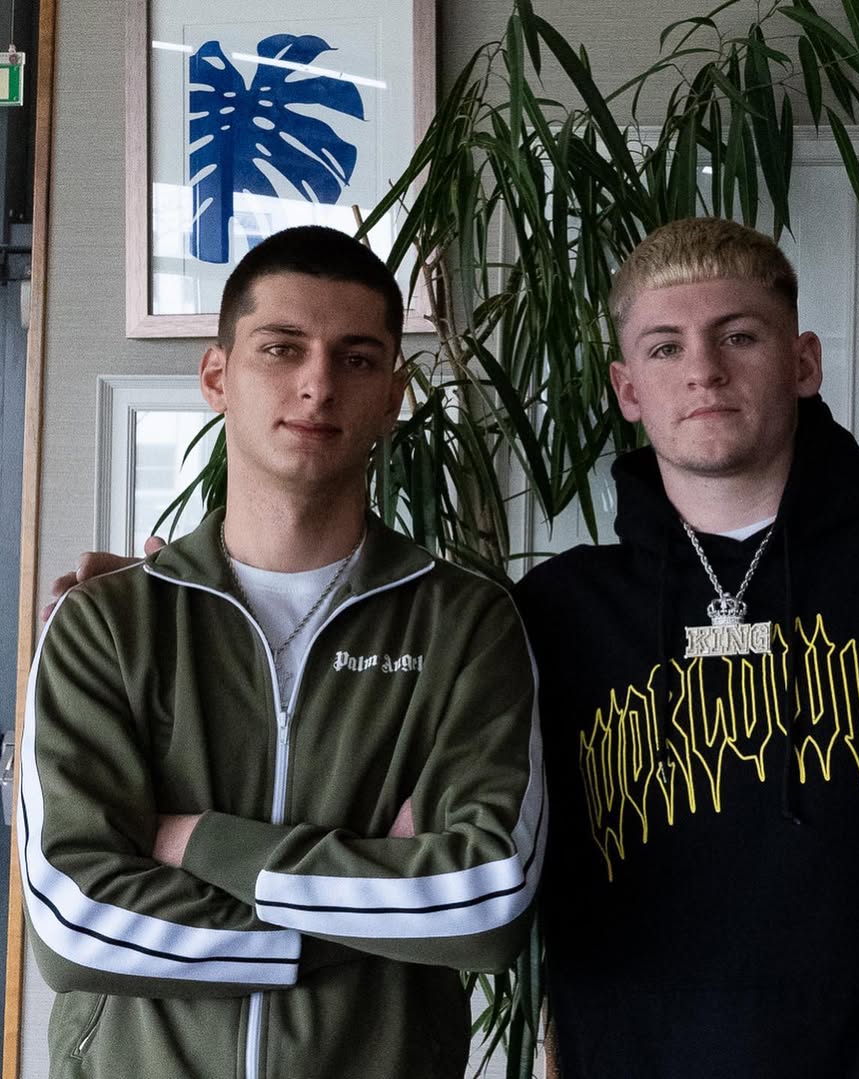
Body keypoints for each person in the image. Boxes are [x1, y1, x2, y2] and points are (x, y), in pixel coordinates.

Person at [512, 217, 859, 1078]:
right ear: (628, 389)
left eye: (739, 335)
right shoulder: (560, 611)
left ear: (804, 362)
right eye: (665, 348)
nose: (703, 369)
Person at [21, 225, 545, 1079]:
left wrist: (203, 843)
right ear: (216, 376)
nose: (318, 383)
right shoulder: (106, 622)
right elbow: (75, 924)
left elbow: (486, 901)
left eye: (357, 358)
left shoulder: (463, 625)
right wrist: (362, 918)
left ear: (394, 396)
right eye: (282, 348)